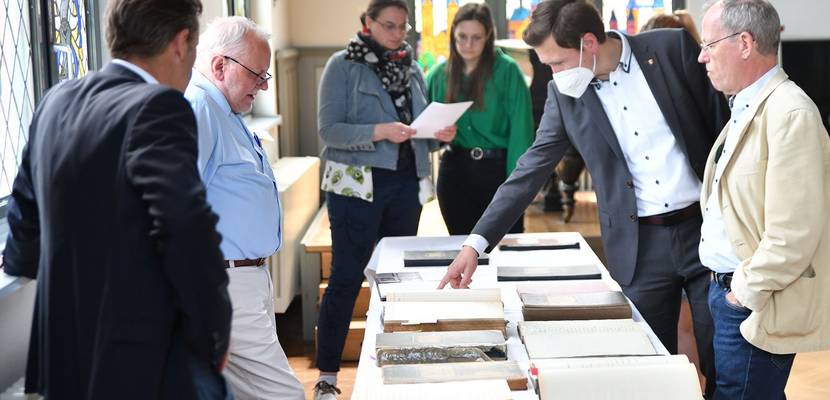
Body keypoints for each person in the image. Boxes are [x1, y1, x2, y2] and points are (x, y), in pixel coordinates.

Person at [438, 1, 729, 396]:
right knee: (649, 369)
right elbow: (530, 170)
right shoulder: (565, 95)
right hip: (640, 247)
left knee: (724, 361)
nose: (552, 76)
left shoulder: (671, 49)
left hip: (705, 233)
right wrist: (476, 243)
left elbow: (724, 130)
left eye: (556, 63)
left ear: (589, 43)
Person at [0, 0, 233, 399]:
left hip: (64, 354)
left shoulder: (56, 100)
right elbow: (184, 224)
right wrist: (214, 332)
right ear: (181, 43)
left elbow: (24, 221)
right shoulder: (157, 106)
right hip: (144, 360)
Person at [314, 0, 455, 398]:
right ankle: (327, 378)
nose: (397, 34)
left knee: (396, 280)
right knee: (345, 278)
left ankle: (395, 366)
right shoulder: (341, 65)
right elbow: (329, 131)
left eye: (402, 27)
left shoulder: (412, 67)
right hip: (356, 188)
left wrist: (438, 135)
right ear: (367, 23)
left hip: (404, 185)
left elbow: (416, 131)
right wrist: (378, 130)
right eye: (389, 26)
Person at [697, 1, 830, 398]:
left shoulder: (790, 113)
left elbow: (795, 233)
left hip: (753, 302)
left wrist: (744, 293)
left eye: (709, 44)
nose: (702, 56)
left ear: (744, 43)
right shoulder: (747, 104)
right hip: (728, 295)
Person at [184, 17, 304, 400]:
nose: (265, 84)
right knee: (284, 395)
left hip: (244, 279)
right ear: (220, 65)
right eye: (257, 74)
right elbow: (179, 207)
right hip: (226, 282)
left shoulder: (226, 111)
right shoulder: (201, 108)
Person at [426, 3, 534, 235]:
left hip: (499, 174)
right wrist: (438, 137)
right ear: (453, 34)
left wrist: (517, 187)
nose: (468, 44)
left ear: (488, 37)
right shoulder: (438, 75)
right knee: (461, 250)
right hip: (455, 173)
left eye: (476, 37)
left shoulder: (508, 72)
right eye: (462, 37)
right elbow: (422, 130)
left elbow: (521, 133)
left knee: (504, 252)